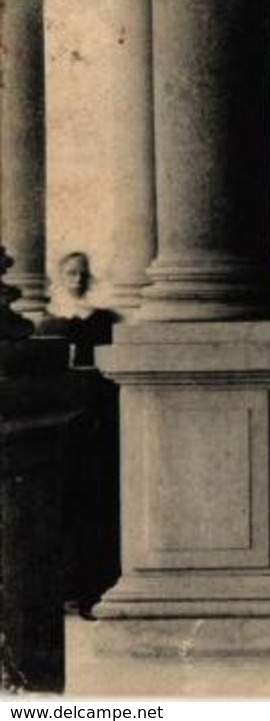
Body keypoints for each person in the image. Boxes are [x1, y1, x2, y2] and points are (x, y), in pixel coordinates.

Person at [37, 252, 119, 617]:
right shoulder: (49, 323)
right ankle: (69, 590)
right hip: (66, 427)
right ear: (59, 276)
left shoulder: (102, 319)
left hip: (97, 421)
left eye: (82, 273)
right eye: (70, 273)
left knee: (97, 503)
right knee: (68, 506)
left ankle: (93, 590)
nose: (77, 279)